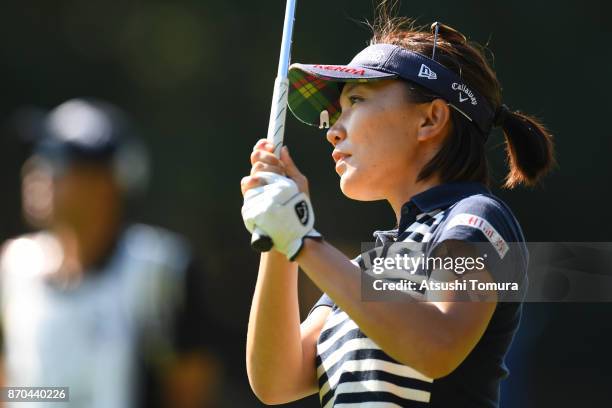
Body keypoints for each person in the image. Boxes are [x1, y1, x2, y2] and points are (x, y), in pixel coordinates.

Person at [241, 14, 554, 408]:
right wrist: (278, 237)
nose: (334, 130)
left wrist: (303, 240)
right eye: (335, 113)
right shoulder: (367, 269)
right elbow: (276, 381)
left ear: (430, 118)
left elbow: (436, 344)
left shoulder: (476, 218)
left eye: (355, 100)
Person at [0, 99, 219, 408]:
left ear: (108, 184)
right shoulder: (14, 266)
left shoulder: (160, 270)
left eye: (57, 158)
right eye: (38, 156)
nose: (37, 170)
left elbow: (191, 392)